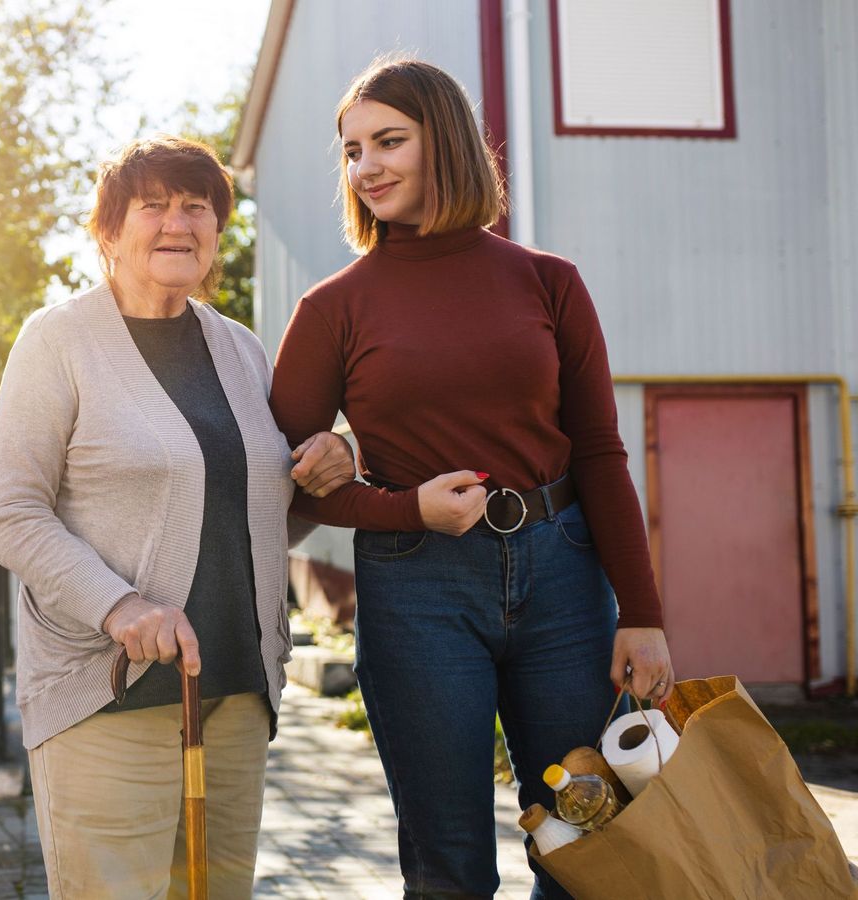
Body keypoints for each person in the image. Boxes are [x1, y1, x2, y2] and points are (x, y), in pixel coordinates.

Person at [268, 59, 674, 900]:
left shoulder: (549, 282)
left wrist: (643, 615)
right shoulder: (331, 309)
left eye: (389, 142)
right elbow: (285, 485)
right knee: (448, 867)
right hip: (417, 589)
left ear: (446, 141)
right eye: (352, 151)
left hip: (565, 578)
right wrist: (400, 507)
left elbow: (601, 453)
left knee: (587, 847)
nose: (366, 167)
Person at [0, 135, 355, 899]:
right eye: (152, 205)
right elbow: (10, 511)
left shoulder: (241, 350)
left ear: (217, 229)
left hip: (237, 696)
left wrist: (335, 458)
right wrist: (119, 605)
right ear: (109, 231)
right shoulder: (57, 342)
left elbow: (256, 511)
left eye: (197, 206)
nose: (178, 222)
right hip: (107, 695)